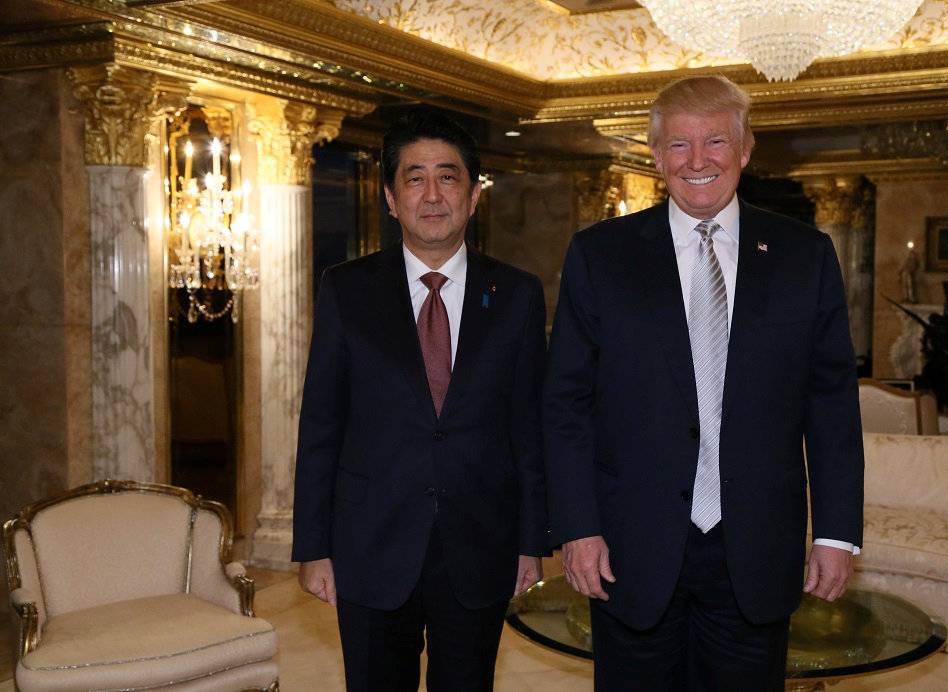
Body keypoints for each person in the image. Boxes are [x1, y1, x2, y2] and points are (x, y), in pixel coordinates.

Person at [543, 75, 864, 691]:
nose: (697, 161)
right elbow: (566, 405)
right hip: (629, 547)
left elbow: (830, 406)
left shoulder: (805, 255)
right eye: (679, 145)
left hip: (758, 548)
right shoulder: (599, 255)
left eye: (715, 141)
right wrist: (577, 527)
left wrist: (835, 532)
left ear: (746, 149)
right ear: (657, 155)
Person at [292, 107, 549, 692]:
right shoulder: (347, 290)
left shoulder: (515, 295)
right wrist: (314, 547)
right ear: (390, 197)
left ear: (474, 194)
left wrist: (532, 542)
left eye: (448, 176)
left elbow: (527, 426)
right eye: (414, 178)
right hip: (370, 545)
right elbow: (321, 426)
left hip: (482, 543)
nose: (432, 194)